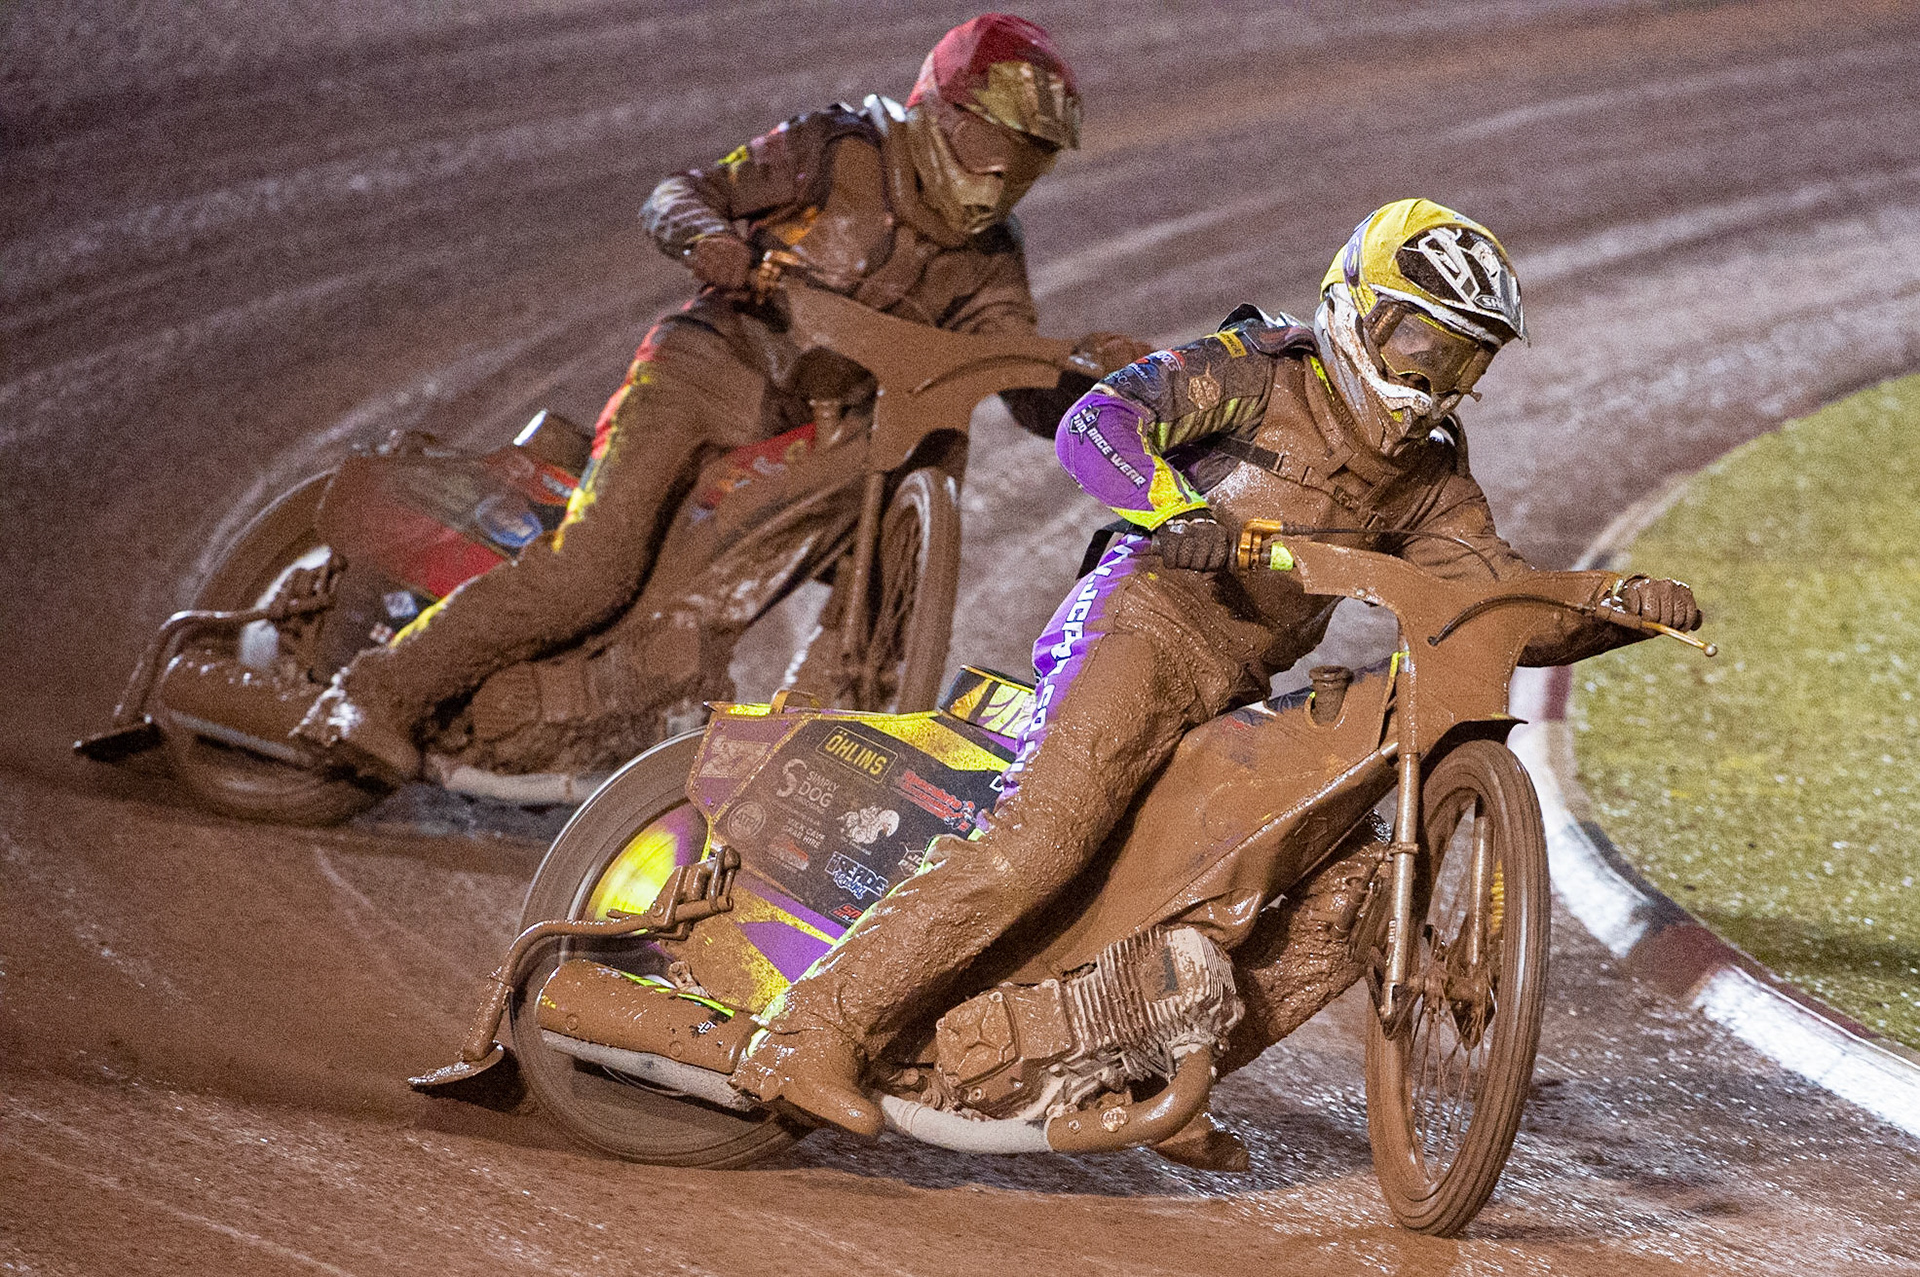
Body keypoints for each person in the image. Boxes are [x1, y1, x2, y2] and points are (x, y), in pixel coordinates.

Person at [731, 198, 1703, 1168]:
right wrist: (1173, 502)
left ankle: (1132, 1070)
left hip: (1235, 682)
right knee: (1042, 843)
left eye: (1459, 358)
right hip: (1140, 625)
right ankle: (808, 1029)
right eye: (1417, 338)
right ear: (1354, 307)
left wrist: (1617, 612)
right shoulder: (1258, 372)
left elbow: (1487, 602)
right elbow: (1099, 418)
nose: (1429, 377)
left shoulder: (1432, 476)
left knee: (1310, 895)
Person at [294, 14, 1143, 781]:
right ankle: (372, 692)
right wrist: (709, 240)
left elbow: (1012, 377)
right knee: (591, 571)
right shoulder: (839, 148)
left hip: (809, 436)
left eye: (1024, 165)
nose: (998, 181)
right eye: (992, 147)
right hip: (703, 373)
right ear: (941, 110)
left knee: (912, 472)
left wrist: (1093, 379)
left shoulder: (992, 256)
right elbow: (678, 193)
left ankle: (803, 757)